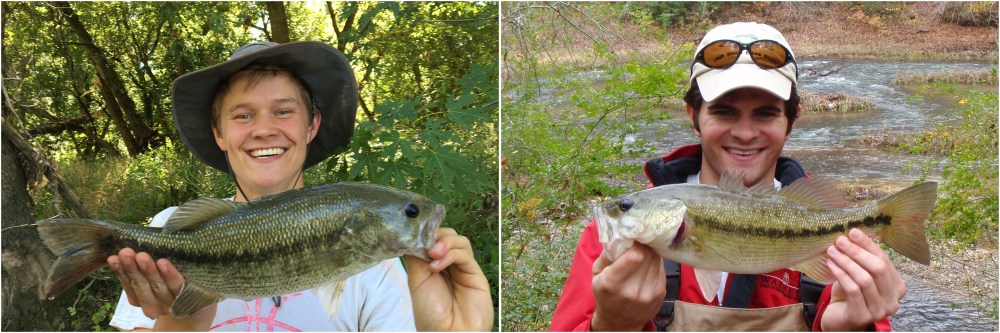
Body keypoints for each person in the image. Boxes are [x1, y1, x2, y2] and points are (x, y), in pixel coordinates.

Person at [103, 41, 493, 331]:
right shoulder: (166, 232)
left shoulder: (380, 274)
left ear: (312, 125)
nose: (263, 129)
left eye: (284, 110)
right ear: (218, 134)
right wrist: (180, 323)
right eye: (243, 115)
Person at [550, 22, 906, 332]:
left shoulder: (833, 245)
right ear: (694, 114)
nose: (746, 133)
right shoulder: (610, 244)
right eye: (724, 112)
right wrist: (613, 324)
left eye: (765, 114)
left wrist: (850, 327)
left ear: (792, 120)